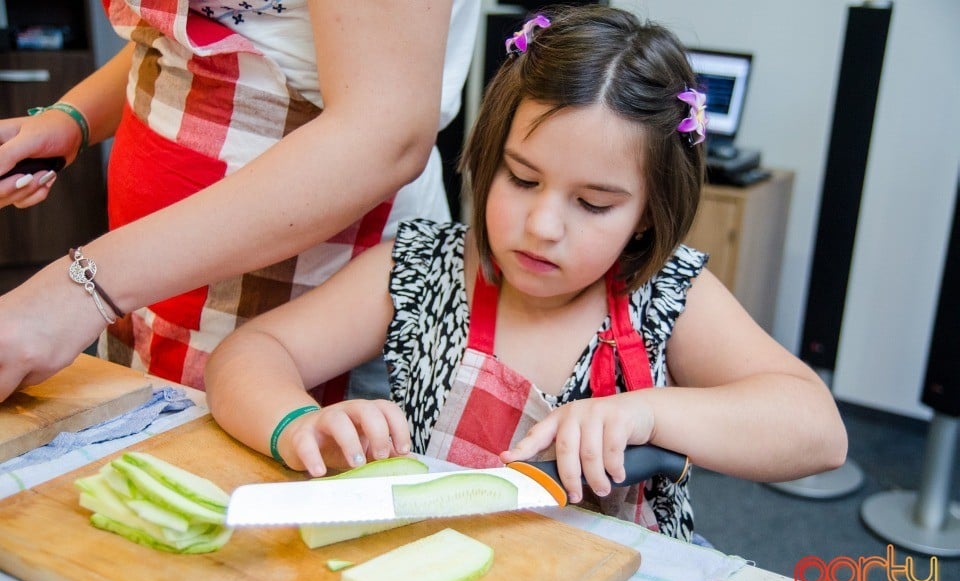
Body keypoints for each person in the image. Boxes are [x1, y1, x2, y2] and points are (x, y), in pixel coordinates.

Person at [204, 5, 847, 540]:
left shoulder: (669, 295)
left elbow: (818, 433)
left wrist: (648, 414)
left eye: (593, 204)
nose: (542, 225)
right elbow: (249, 352)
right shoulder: (425, 268)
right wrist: (297, 425)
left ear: (648, 216)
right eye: (521, 177)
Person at [0, 0, 480, 402]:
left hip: (310, 285)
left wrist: (79, 289)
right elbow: (205, 31)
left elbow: (385, 136)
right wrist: (72, 118)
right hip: (149, 276)